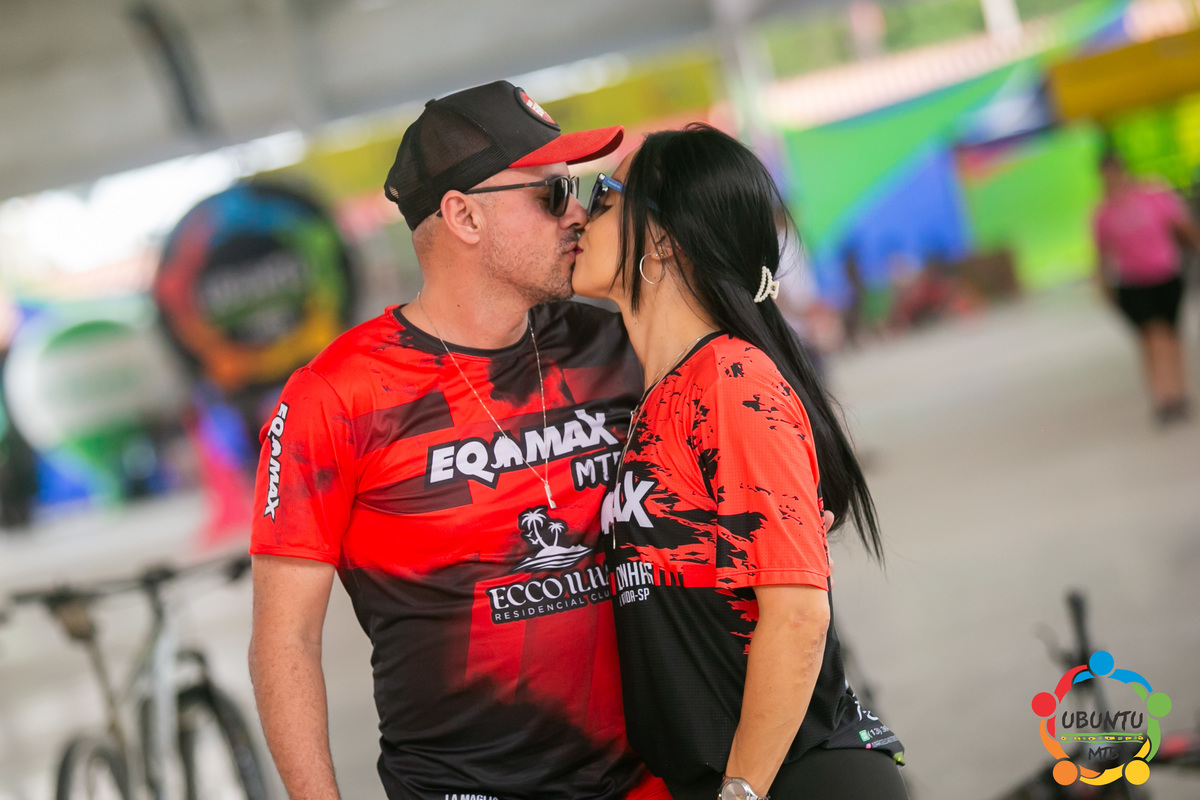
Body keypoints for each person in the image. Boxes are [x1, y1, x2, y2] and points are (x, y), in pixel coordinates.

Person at [247, 80, 668, 800]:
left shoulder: (617, 343)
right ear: (464, 215)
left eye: (576, 190)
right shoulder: (337, 397)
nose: (578, 214)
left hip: (650, 780)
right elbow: (285, 639)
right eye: (552, 194)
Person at [572, 124, 907, 800]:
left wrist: (740, 792)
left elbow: (797, 615)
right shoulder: (663, 395)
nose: (578, 215)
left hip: (791, 779)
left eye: (602, 197)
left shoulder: (729, 380)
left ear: (663, 238)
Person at [1093, 152, 1200, 424]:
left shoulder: (1152, 195)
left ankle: (1178, 391)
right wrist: (1103, 285)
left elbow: (1180, 225)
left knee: (1171, 336)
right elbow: (1102, 254)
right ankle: (1164, 395)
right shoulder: (1103, 213)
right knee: (1153, 337)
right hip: (1133, 283)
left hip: (1165, 275)